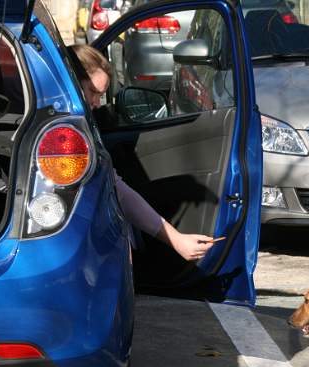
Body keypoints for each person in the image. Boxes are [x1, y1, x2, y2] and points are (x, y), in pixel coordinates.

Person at [69, 44, 216, 261]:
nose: (97, 103)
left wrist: (176, 239)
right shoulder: (68, 132)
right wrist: (175, 239)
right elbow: (120, 191)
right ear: (71, 81)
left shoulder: (85, 128)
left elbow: (117, 188)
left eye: (101, 95)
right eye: (92, 92)